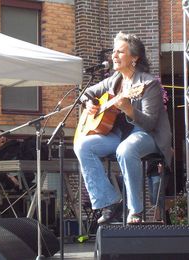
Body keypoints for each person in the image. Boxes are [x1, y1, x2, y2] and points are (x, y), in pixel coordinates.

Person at [74, 32, 172, 224]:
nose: (114, 56)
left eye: (120, 52)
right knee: (83, 145)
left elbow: (150, 123)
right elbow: (87, 93)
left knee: (125, 150)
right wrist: (89, 104)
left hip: (146, 134)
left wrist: (129, 109)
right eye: (113, 52)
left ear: (134, 57)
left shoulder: (148, 83)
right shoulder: (115, 80)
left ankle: (135, 211)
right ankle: (109, 201)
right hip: (119, 134)